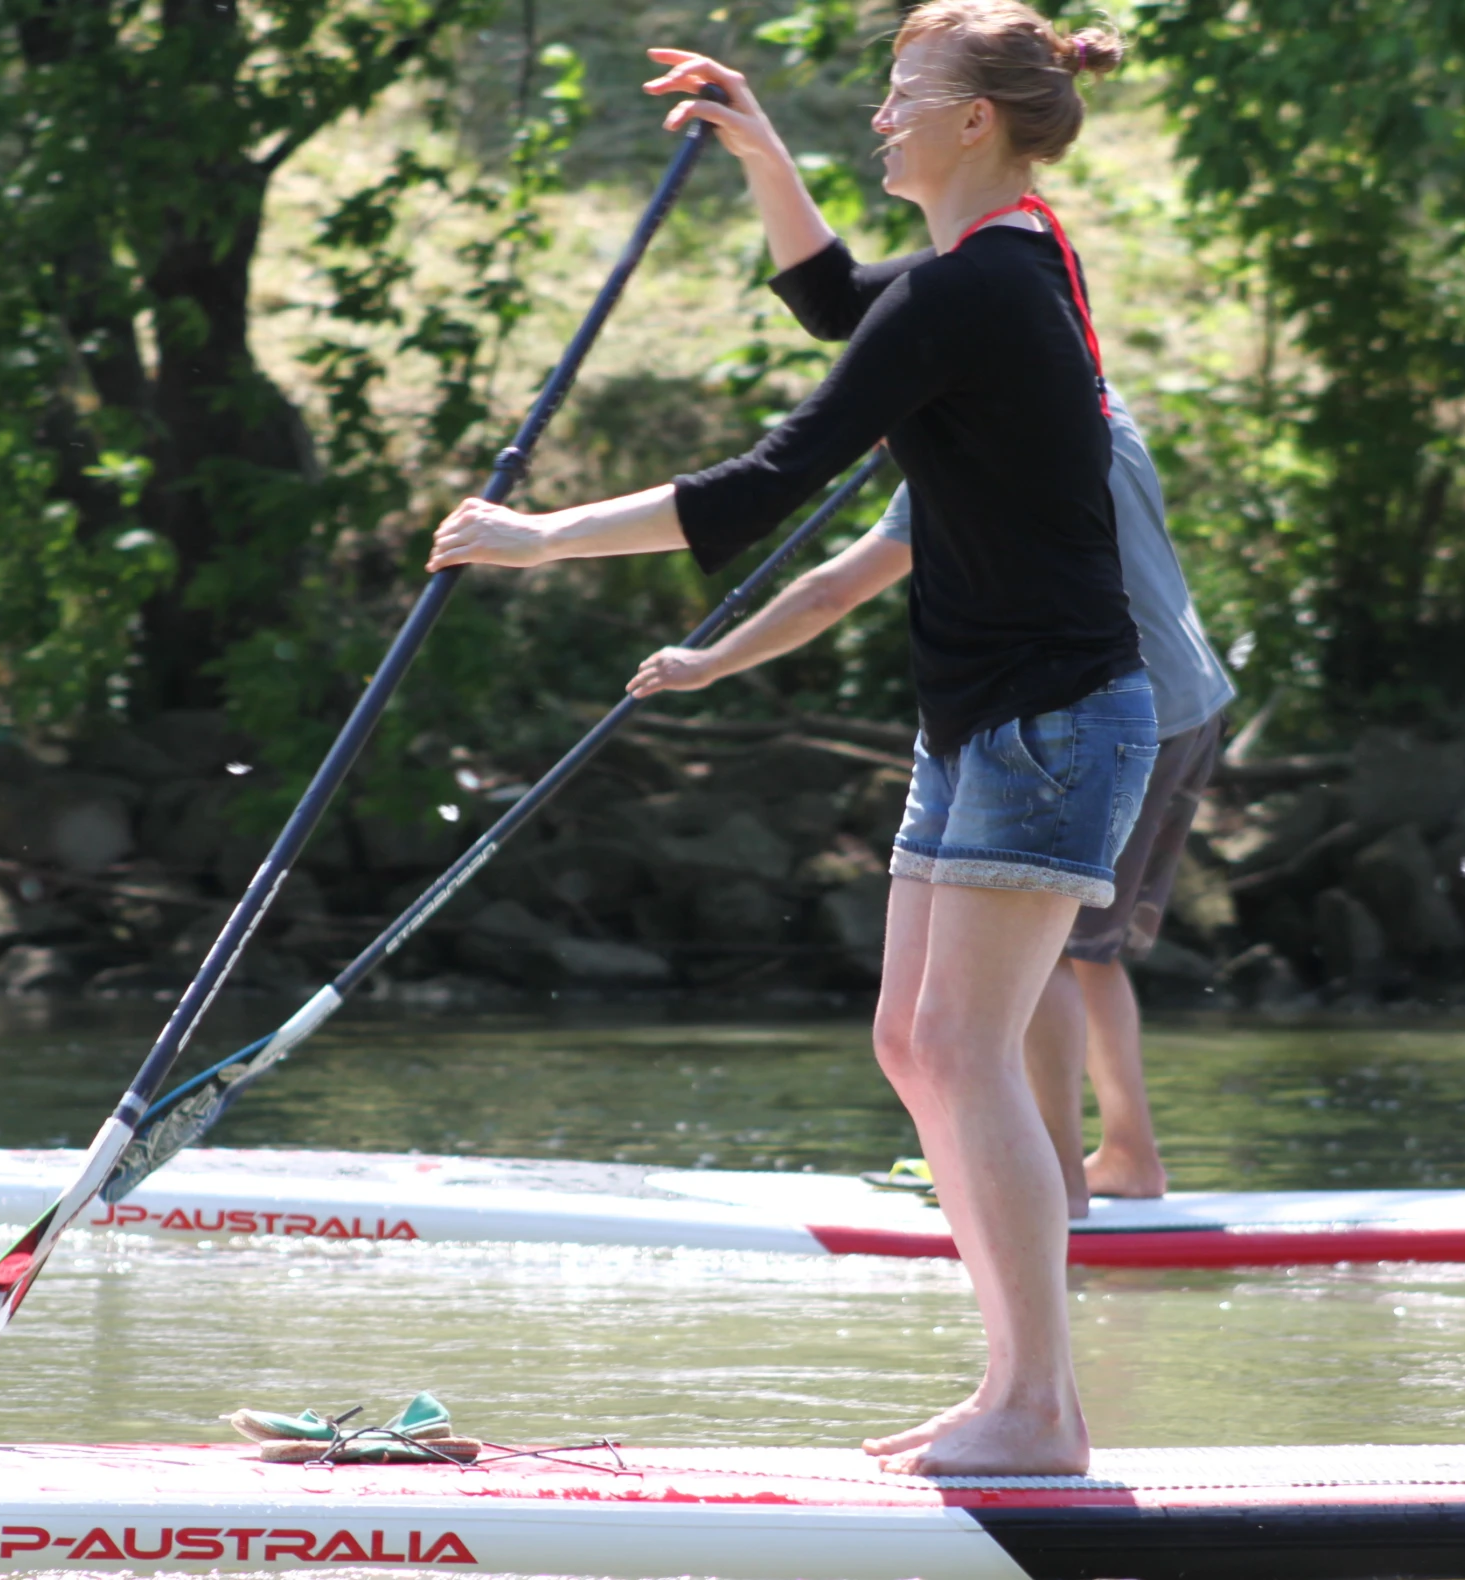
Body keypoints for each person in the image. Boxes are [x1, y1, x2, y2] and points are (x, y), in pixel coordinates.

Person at [429, 0, 1140, 1476]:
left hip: (1050, 719)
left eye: (902, 93)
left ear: (973, 121)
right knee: (915, 1043)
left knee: (963, 1045)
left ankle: (1039, 1411)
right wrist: (760, 151)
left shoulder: (981, 284)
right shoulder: (991, 263)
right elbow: (838, 306)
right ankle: (1018, 1391)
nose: (878, 116)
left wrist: (541, 537)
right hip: (986, 717)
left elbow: (768, 481)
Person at [628, 394, 1235, 1214]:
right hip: (1192, 700)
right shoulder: (1089, 399)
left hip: (1112, 708)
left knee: (1044, 949)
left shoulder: (971, 452)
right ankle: (1127, 1154)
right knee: (1089, 947)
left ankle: (1055, 1180)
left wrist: (708, 662)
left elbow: (831, 592)